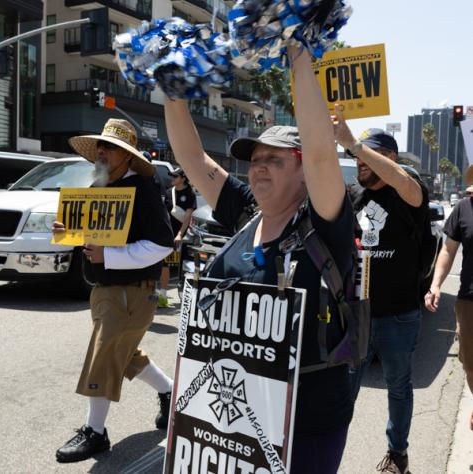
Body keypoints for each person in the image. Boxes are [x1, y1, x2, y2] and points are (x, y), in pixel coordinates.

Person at [164, 46, 355, 474]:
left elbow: (323, 153)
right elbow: (192, 159)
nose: (258, 168)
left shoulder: (323, 222)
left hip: (307, 421)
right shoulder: (247, 212)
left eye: (275, 159)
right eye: (254, 161)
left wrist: (299, 55)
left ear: (304, 171)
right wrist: (171, 86)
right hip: (234, 413)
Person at [53, 119, 175, 463]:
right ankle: (169, 392)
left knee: (106, 353)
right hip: (105, 288)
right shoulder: (100, 187)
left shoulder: (145, 191)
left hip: (133, 290)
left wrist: (111, 255)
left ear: (128, 156)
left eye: (112, 148)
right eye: (101, 147)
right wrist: (67, 231)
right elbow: (92, 237)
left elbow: (163, 244)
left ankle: (96, 432)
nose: (103, 152)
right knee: (122, 353)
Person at [333, 109, 429, 474]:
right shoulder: (354, 197)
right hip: (359, 314)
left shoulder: (409, 190)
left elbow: (405, 183)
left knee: (398, 387)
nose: (358, 161)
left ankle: (397, 455)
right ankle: (328, 452)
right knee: (344, 388)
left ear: (388, 158)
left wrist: (355, 142)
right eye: (357, 157)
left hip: (400, 314)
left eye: (367, 155)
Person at [424, 163, 473, 431]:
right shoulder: (463, 209)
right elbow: (448, 250)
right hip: (469, 300)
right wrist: (436, 285)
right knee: (469, 361)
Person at [157, 168, 197, 308]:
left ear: (183, 178)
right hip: (168, 234)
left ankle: (187, 296)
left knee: (184, 266)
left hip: (182, 235)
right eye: (172, 176)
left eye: (175, 176)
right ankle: (162, 295)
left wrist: (180, 233)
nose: (172, 178)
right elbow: (164, 213)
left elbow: (187, 216)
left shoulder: (190, 194)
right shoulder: (169, 192)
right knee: (165, 263)